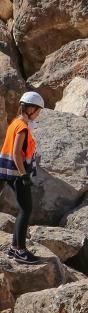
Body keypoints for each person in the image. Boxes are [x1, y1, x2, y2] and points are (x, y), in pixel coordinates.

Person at [1, 92, 44, 264]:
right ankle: (20, 251)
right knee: (25, 210)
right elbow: (16, 153)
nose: (39, 114)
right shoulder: (23, 128)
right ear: (31, 109)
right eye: (38, 110)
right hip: (17, 174)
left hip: (8, 171)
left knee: (23, 209)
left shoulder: (16, 123)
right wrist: (23, 174)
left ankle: (13, 248)